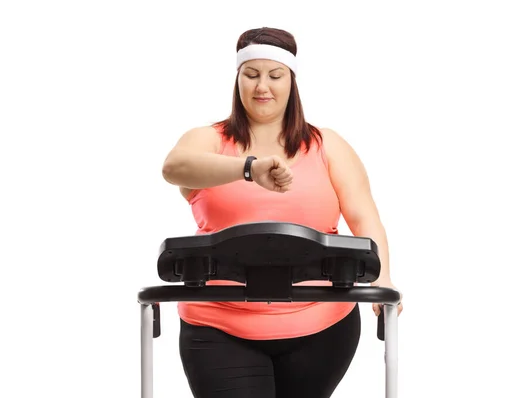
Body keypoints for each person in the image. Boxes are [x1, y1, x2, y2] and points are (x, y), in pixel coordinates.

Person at [161, 27, 403, 398]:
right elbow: (174, 168)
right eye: (251, 74)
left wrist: (382, 281)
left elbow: (365, 217)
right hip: (218, 327)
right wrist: (249, 168)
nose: (263, 87)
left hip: (322, 327)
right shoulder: (209, 140)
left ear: (292, 81)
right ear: (237, 78)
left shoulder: (327, 145)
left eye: (275, 76)